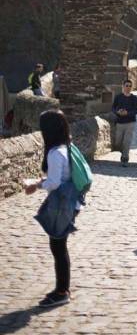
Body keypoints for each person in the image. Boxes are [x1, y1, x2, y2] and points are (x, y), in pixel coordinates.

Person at [24, 109, 78, 307]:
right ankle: (62, 288)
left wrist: (36, 185)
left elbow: (54, 182)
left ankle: (62, 290)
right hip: (69, 201)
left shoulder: (56, 153)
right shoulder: (67, 146)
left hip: (61, 203)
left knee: (58, 246)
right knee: (59, 246)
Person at [112, 80, 137, 166]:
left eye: (130, 86)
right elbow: (113, 108)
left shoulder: (134, 98)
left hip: (130, 122)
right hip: (120, 122)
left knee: (127, 141)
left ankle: (125, 158)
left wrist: (127, 113)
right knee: (118, 142)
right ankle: (123, 151)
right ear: (123, 86)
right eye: (126, 86)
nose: (128, 87)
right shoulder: (118, 97)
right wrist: (118, 112)